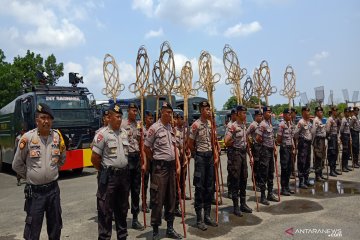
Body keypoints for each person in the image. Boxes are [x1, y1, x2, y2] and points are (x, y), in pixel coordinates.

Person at [12, 103, 66, 240]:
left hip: (53, 190)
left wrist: (52, 171)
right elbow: (17, 164)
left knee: (55, 227)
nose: (46, 121)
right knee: (32, 230)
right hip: (35, 193)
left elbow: (62, 159)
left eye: (49, 118)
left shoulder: (57, 137)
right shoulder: (28, 138)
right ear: (37, 120)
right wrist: (31, 175)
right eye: (43, 117)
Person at [144, 102, 182, 240]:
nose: (169, 115)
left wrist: (177, 165)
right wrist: (154, 160)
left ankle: (170, 228)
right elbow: (146, 148)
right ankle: (155, 230)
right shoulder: (154, 128)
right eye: (167, 112)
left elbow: (174, 148)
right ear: (161, 112)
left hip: (171, 167)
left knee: (171, 198)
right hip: (159, 168)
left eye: (171, 113)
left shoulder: (171, 129)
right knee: (157, 199)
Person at [91, 103, 130, 240]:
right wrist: (104, 171)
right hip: (109, 178)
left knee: (122, 210)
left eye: (120, 117)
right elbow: (95, 158)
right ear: (110, 117)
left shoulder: (124, 133)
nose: (119, 119)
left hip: (123, 177)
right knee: (105, 211)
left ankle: (122, 237)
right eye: (116, 117)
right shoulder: (102, 135)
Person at [188, 100, 218, 231]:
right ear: (201, 110)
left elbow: (214, 141)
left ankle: (207, 216)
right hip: (200, 157)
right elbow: (189, 143)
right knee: (200, 187)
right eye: (206, 109)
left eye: (209, 109)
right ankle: (199, 219)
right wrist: (196, 155)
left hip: (210, 156)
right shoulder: (196, 125)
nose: (208, 111)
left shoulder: (211, 124)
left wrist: (215, 155)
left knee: (209, 187)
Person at [224, 105, 253, 216]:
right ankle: (236, 206)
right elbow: (226, 141)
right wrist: (234, 143)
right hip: (235, 154)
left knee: (243, 178)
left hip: (243, 154)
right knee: (235, 180)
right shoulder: (233, 126)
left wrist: (250, 156)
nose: (245, 115)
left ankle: (243, 204)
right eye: (243, 113)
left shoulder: (244, 125)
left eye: (246, 113)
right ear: (238, 113)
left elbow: (246, 143)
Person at [121, 103, 144, 230]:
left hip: (136, 158)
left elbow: (142, 141)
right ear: (128, 111)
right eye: (133, 110)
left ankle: (135, 218)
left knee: (136, 190)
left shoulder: (139, 125)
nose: (135, 113)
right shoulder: (123, 124)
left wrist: (143, 160)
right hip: (126, 158)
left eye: (136, 111)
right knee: (125, 190)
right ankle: (122, 218)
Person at [294, 106, 314, 189]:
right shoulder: (301, 122)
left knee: (307, 162)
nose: (308, 113)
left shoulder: (309, 122)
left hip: (308, 143)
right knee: (302, 162)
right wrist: (299, 140)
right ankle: (301, 182)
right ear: (303, 112)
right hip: (303, 143)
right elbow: (295, 134)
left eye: (309, 111)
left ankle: (306, 180)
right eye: (306, 111)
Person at [276, 108, 295, 196]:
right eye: (288, 114)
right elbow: (279, 139)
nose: (290, 116)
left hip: (290, 148)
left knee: (289, 168)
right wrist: (283, 145)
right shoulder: (282, 125)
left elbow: (291, 137)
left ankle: (287, 187)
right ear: (284, 115)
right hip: (284, 148)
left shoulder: (290, 124)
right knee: (284, 168)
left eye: (290, 114)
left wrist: (293, 147)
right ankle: (283, 188)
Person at [246, 109, 263, 191]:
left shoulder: (262, 124)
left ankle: (260, 183)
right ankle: (255, 184)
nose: (261, 117)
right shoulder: (253, 125)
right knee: (256, 167)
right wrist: (250, 141)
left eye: (261, 115)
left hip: (262, 147)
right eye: (259, 116)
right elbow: (246, 133)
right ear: (256, 116)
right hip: (255, 147)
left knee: (261, 166)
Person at [142, 110, 154, 213]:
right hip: (145, 159)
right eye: (149, 118)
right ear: (145, 119)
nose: (151, 120)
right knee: (144, 182)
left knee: (154, 182)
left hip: (153, 158)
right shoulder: (141, 129)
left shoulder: (155, 129)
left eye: (152, 118)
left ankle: (152, 201)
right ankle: (144, 203)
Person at [311, 106, 327, 181]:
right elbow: (313, 132)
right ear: (317, 112)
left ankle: (320, 174)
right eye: (320, 112)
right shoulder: (316, 120)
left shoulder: (320, 120)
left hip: (322, 140)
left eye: (322, 112)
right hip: (318, 140)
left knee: (322, 157)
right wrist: (313, 142)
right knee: (318, 157)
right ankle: (317, 175)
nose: (322, 113)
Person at [326, 106, 341, 177]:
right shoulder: (330, 119)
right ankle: (331, 170)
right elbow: (327, 130)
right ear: (332, 111)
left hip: (335, 137)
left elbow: (338, 127)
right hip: (331, 137)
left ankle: (334, 169)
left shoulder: (336, 119)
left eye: (337, 110)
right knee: (332, 154)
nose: (336, 112)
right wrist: (329, 137)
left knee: (335, 154)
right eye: (335, 110)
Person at [226, 109, 236, 199]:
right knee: (231, 170)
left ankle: (235, 189)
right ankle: (230, 190)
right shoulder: (230, 125)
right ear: (232, 115)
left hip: (237, 151)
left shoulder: (239, 124)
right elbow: (227, 140)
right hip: (231, 150)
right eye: (235, 114)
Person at [339, 107, 352, 172]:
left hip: (347, 135)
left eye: (349, 112)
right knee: (345, 151)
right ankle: (343, 166)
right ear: (344, 113)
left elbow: (348, 129)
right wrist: (341, 137)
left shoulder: (348, 119)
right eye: (347, 112)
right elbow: (341, 129)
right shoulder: (344, 120)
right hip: (344, 136)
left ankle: (346, 165)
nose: (348, 113)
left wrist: (350, 137)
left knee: (348, 152)